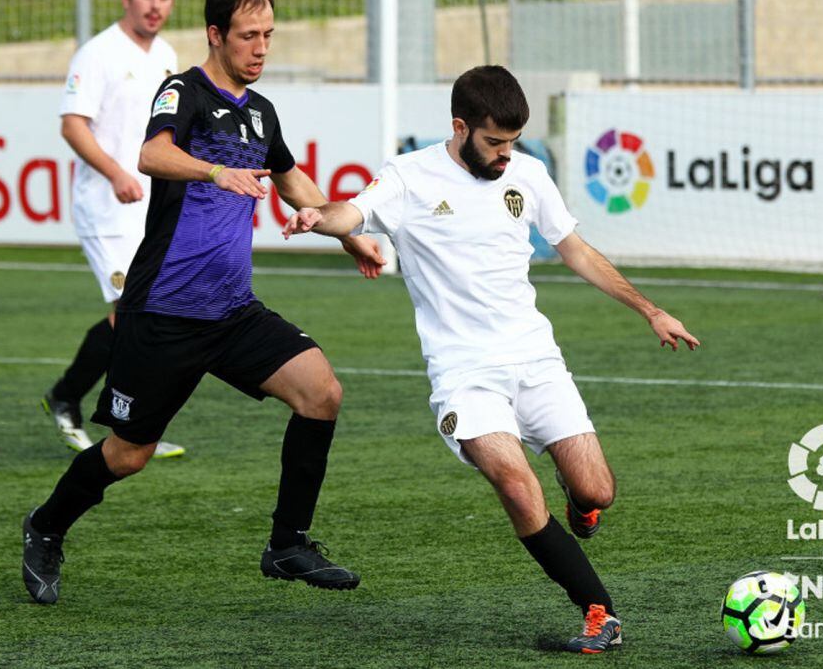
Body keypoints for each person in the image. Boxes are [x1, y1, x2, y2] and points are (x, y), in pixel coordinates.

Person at [283, 66, 699, 654]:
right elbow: (351, 211)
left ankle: (580, 503)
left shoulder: (527, 173)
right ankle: (598, 612)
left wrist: (650, 310)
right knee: (514, 481)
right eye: (495, 143)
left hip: (535, 360)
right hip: (464, 374)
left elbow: (574, 249)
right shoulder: (410, 177)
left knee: (596, 490)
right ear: (460, 127)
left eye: (514, 142)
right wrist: (317, 217)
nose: (507, 155)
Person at [21, 0, 386, 605]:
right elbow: (151, 155)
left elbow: (291, 179)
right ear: (216, 34)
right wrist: (216, 172)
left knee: (321, 393)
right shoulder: (182, 91)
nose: (262, 47)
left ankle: (288, 544)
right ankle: (46, 526)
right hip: (164, 311)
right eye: (249, 35)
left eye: (269, 34)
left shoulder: (263, 112)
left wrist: (349, 235)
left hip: (232, 311)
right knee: (129, 455)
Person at [44, 0, 186, 458]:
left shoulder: (166, 55)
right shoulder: (99, 53)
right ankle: (66, 398)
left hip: (147, 208)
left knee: (152, 313)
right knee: (131, 312)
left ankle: (133, 426)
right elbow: (73, 125)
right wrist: (117, 172)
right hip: (106, 206)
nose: (155, 5)